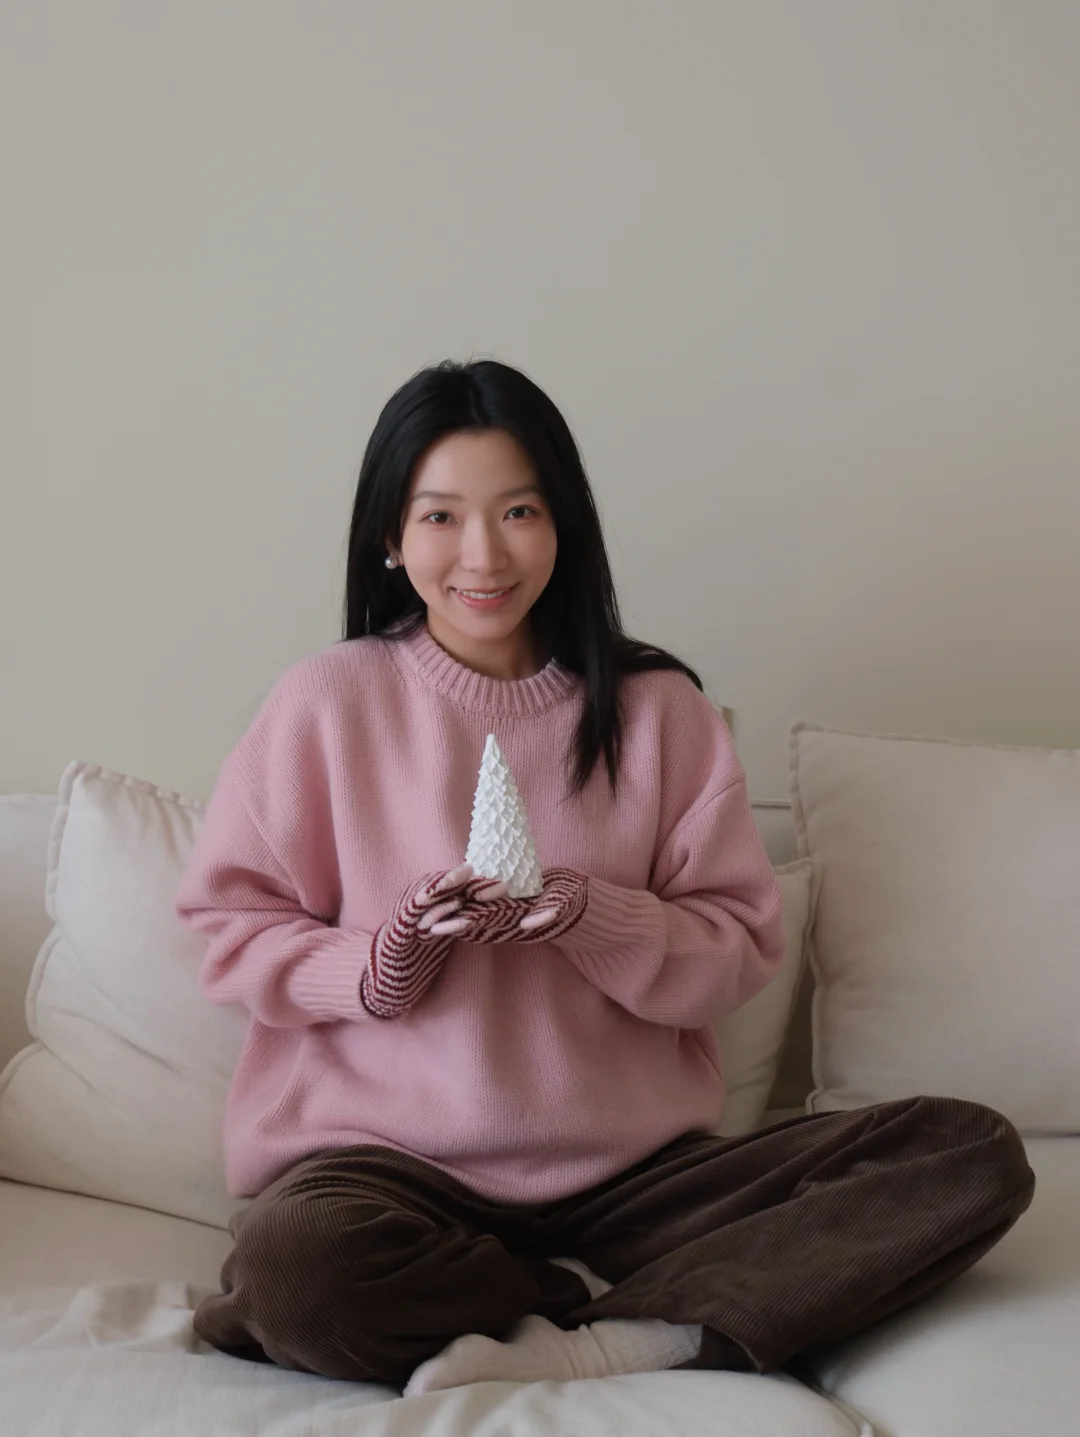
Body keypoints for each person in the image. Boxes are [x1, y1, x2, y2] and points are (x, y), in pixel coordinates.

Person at [176, 358, 1034, 1393]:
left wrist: (593, 916)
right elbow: (228, 927)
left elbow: (736, 950)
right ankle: (604, 1294)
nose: (483, 554)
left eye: (519, 511)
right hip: (387, 1169)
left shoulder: (660, 712)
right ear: (391, 539)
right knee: (295, 1270)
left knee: (968, 1152)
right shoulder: (324, 703)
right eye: (441, 516)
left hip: (635, 1178)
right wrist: (376, 966)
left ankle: (615, 1334)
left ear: (564, 524)